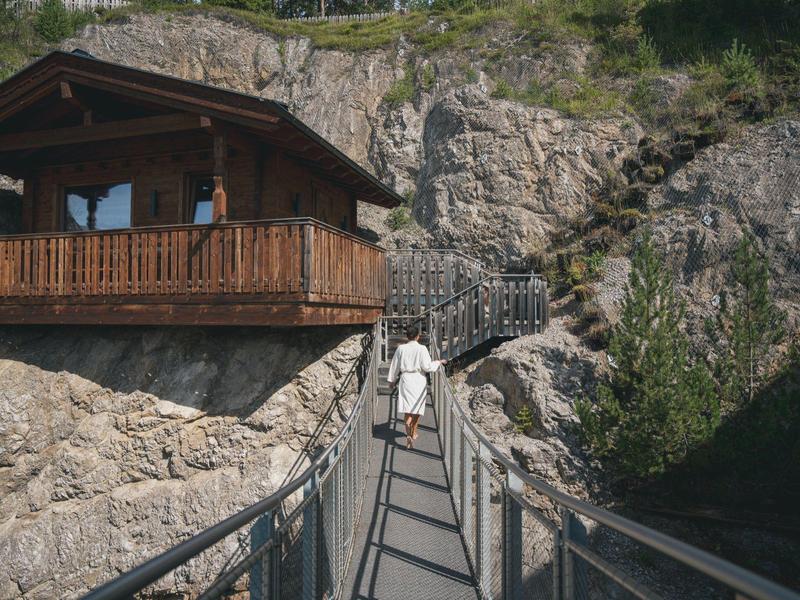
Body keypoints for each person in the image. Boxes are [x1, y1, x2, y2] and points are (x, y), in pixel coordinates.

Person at [387, 325, 447, 449]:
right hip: (418, 380)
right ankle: (413, 432)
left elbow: (395, 365)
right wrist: (438, 362)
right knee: (417, 407)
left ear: (407, 336)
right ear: (418, 336)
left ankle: (409, 432)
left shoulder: (401, 349)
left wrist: (392, 380)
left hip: (405, 380)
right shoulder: (422, 349)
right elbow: (427, 367)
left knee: (407, 408)